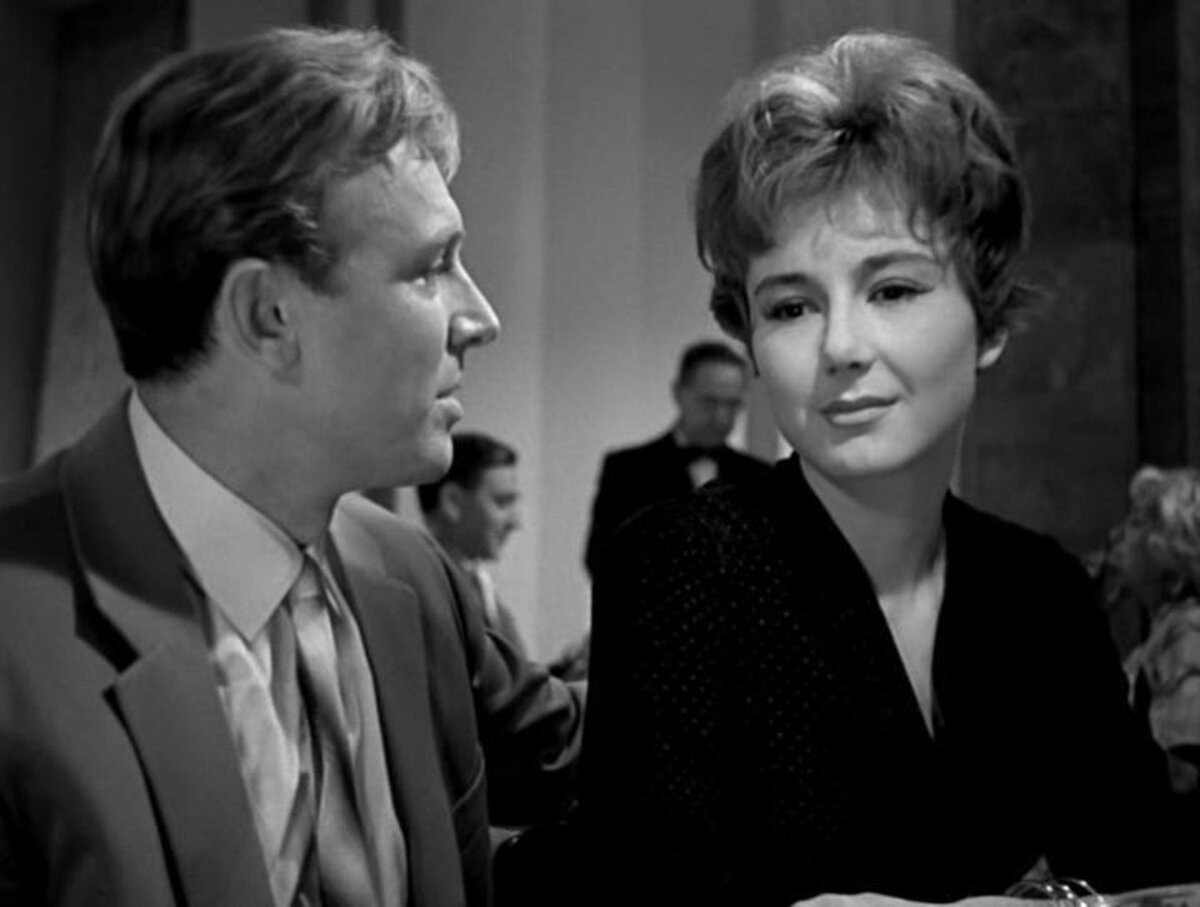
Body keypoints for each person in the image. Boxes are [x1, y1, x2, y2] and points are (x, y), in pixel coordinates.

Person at [580, 30, 1188, 905]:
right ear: (750, 340)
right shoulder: (680, 568)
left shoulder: (1040, 591)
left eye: (893, 289)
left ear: (990, 321)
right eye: (790, 306)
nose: (841, 346)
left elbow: (1147, 872)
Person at [0, 27, 583, 907]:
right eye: (432, 268)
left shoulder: (409, 572)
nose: (481, 317)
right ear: (267, 315)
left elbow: (588, 755)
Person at [582, 338, 771, 578]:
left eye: (732, 404)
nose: (721, 416)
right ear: (679, 393)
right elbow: (602, 559)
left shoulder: (760, 477)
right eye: (709, 402)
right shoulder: (628, 469)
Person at [1090, 465, 1200, 795]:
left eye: (1137, 522)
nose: (1118, 533)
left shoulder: (1187, 634)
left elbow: (1184, 773)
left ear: (1175, 563)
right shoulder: (1161, 633)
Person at [418, 431, 530, 658]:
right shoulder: (418, 592)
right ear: (452, 501)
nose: (516, 522)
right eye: (502, 502)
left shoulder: (481, 588)